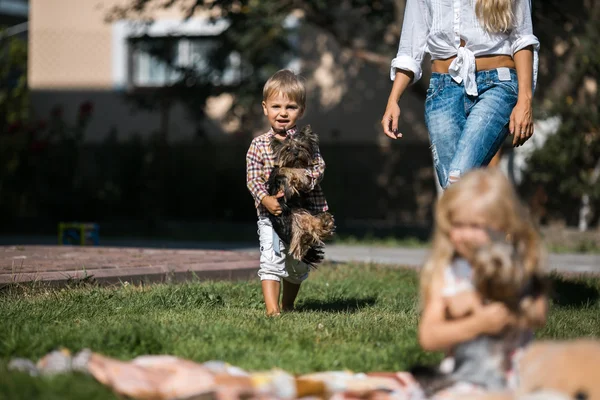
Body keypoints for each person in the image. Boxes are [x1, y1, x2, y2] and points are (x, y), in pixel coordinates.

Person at [414, 167, 548, 398]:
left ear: (505, 226)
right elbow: (429, 336)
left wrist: (508, 310)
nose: (465, 235)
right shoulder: (447, 274)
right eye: (458, 225)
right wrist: (477, 323)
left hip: (519, 377)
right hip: (464, 378)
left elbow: (538, 314)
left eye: (476, 226)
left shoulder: (519, 265)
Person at [381, 0, 540, 190]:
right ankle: (491, 218)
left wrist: (525, 100)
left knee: (456, 182)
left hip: (497, 86)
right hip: (443, 90)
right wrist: (393, 100)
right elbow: (410, 48)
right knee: (457, 191)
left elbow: (522, 39)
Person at [245, 69, 329, 316]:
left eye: (290, 107)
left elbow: (318, 168)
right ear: (265, 108)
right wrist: (265, 198)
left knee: (297, 263)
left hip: (305, 214)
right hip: (271, 215)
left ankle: (288, 305)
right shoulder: (258, 145)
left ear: (301, 110)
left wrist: (301, 180)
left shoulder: (306, 141)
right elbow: (252, 178)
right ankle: (272, 312)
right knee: (271, 260)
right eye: (276, 106)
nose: (282, 113)